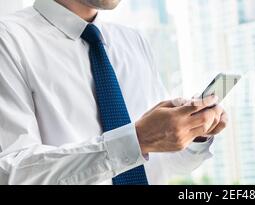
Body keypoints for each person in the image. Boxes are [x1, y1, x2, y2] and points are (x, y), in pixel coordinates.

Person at [0, 0, 227, 185]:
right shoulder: (8, 40)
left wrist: (193, 132)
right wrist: (136, 140)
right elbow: (11, 174)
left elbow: (162, 164)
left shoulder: (133, 41)